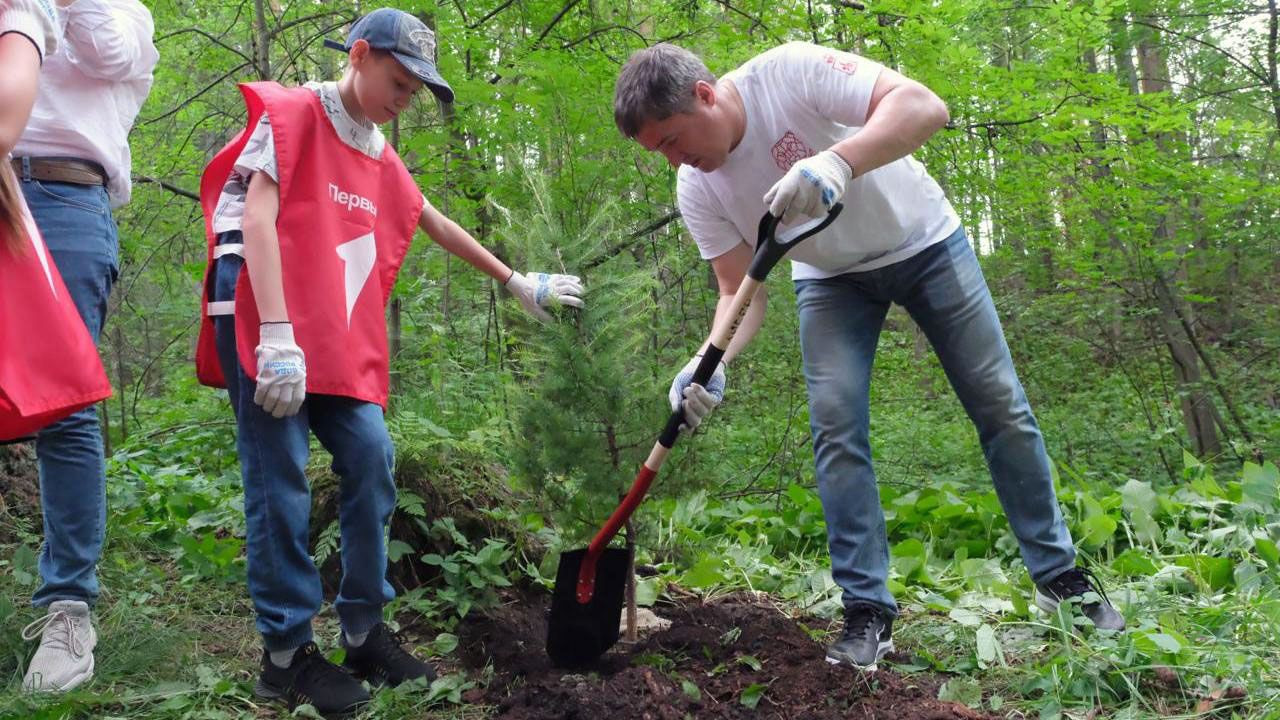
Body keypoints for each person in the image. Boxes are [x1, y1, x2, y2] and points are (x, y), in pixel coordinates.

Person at [613, 42, 1124, 670]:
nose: (673, 159)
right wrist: (706, 365)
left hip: (926, 244)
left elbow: (925, 106)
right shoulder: (697, 186)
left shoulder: (787, 74)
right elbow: (737, 290)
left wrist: (838, 161)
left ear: (704, 95)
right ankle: (867, 611)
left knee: (999, 404)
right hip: (829, 280)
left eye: (671, 139)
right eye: (658, 152)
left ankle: (1059, 578)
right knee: (835, 426)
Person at [196, 9, 584, 716]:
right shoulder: (292, 115)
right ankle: (285, 655)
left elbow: (430, 218)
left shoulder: (374, 148)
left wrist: (515, 282)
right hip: (262, 307)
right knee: (279, 476)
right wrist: (276, 334)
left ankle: (363, 630)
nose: (405, 100)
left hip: (329, 323)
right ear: (358, 55)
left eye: (415, 91)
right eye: (398, 82)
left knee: (371, 455)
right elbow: (256, 217)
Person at [6, 0, 156, 692]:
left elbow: (109, 53)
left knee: (65, 407)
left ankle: (68, 610)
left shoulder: (127, 15)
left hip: (64, 198)